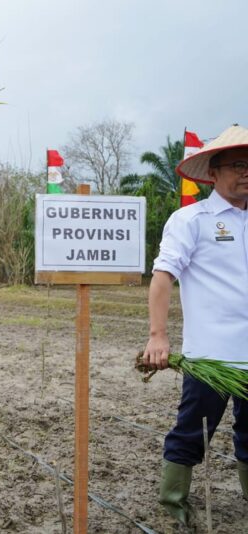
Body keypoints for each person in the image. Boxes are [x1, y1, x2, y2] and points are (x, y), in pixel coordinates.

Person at [142, 124, 248, 527]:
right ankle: (175, 505)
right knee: (192, 432)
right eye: (238, 165)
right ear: (214, 172)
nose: (246, 173)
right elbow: (163, 276)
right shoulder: (192, 220)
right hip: (211, 357)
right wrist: (158, 335)